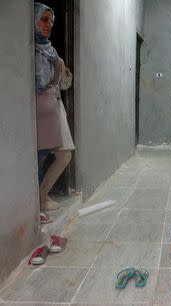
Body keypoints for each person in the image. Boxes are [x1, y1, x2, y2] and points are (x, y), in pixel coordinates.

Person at [35, 3, 74, 223]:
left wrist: (61, 68)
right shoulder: (29, 50)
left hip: (54, 108)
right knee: (38, 158)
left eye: (51, 20)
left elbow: (64, 82)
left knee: (64, 154)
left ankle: (41, 196)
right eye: (43, 19)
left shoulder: (50, 49)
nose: (49, 24)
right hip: (38, 113)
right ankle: (37, 201)